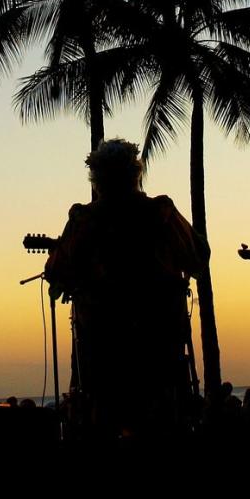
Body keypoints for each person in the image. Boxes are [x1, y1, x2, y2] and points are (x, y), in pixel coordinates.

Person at [44, 139, 207, 436]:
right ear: (136, 174)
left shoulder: (83, 220)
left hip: (102, 358)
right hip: (159, 355)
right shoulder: (162, 214)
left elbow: (56, 273)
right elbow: (199, 256)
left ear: (96, 179)